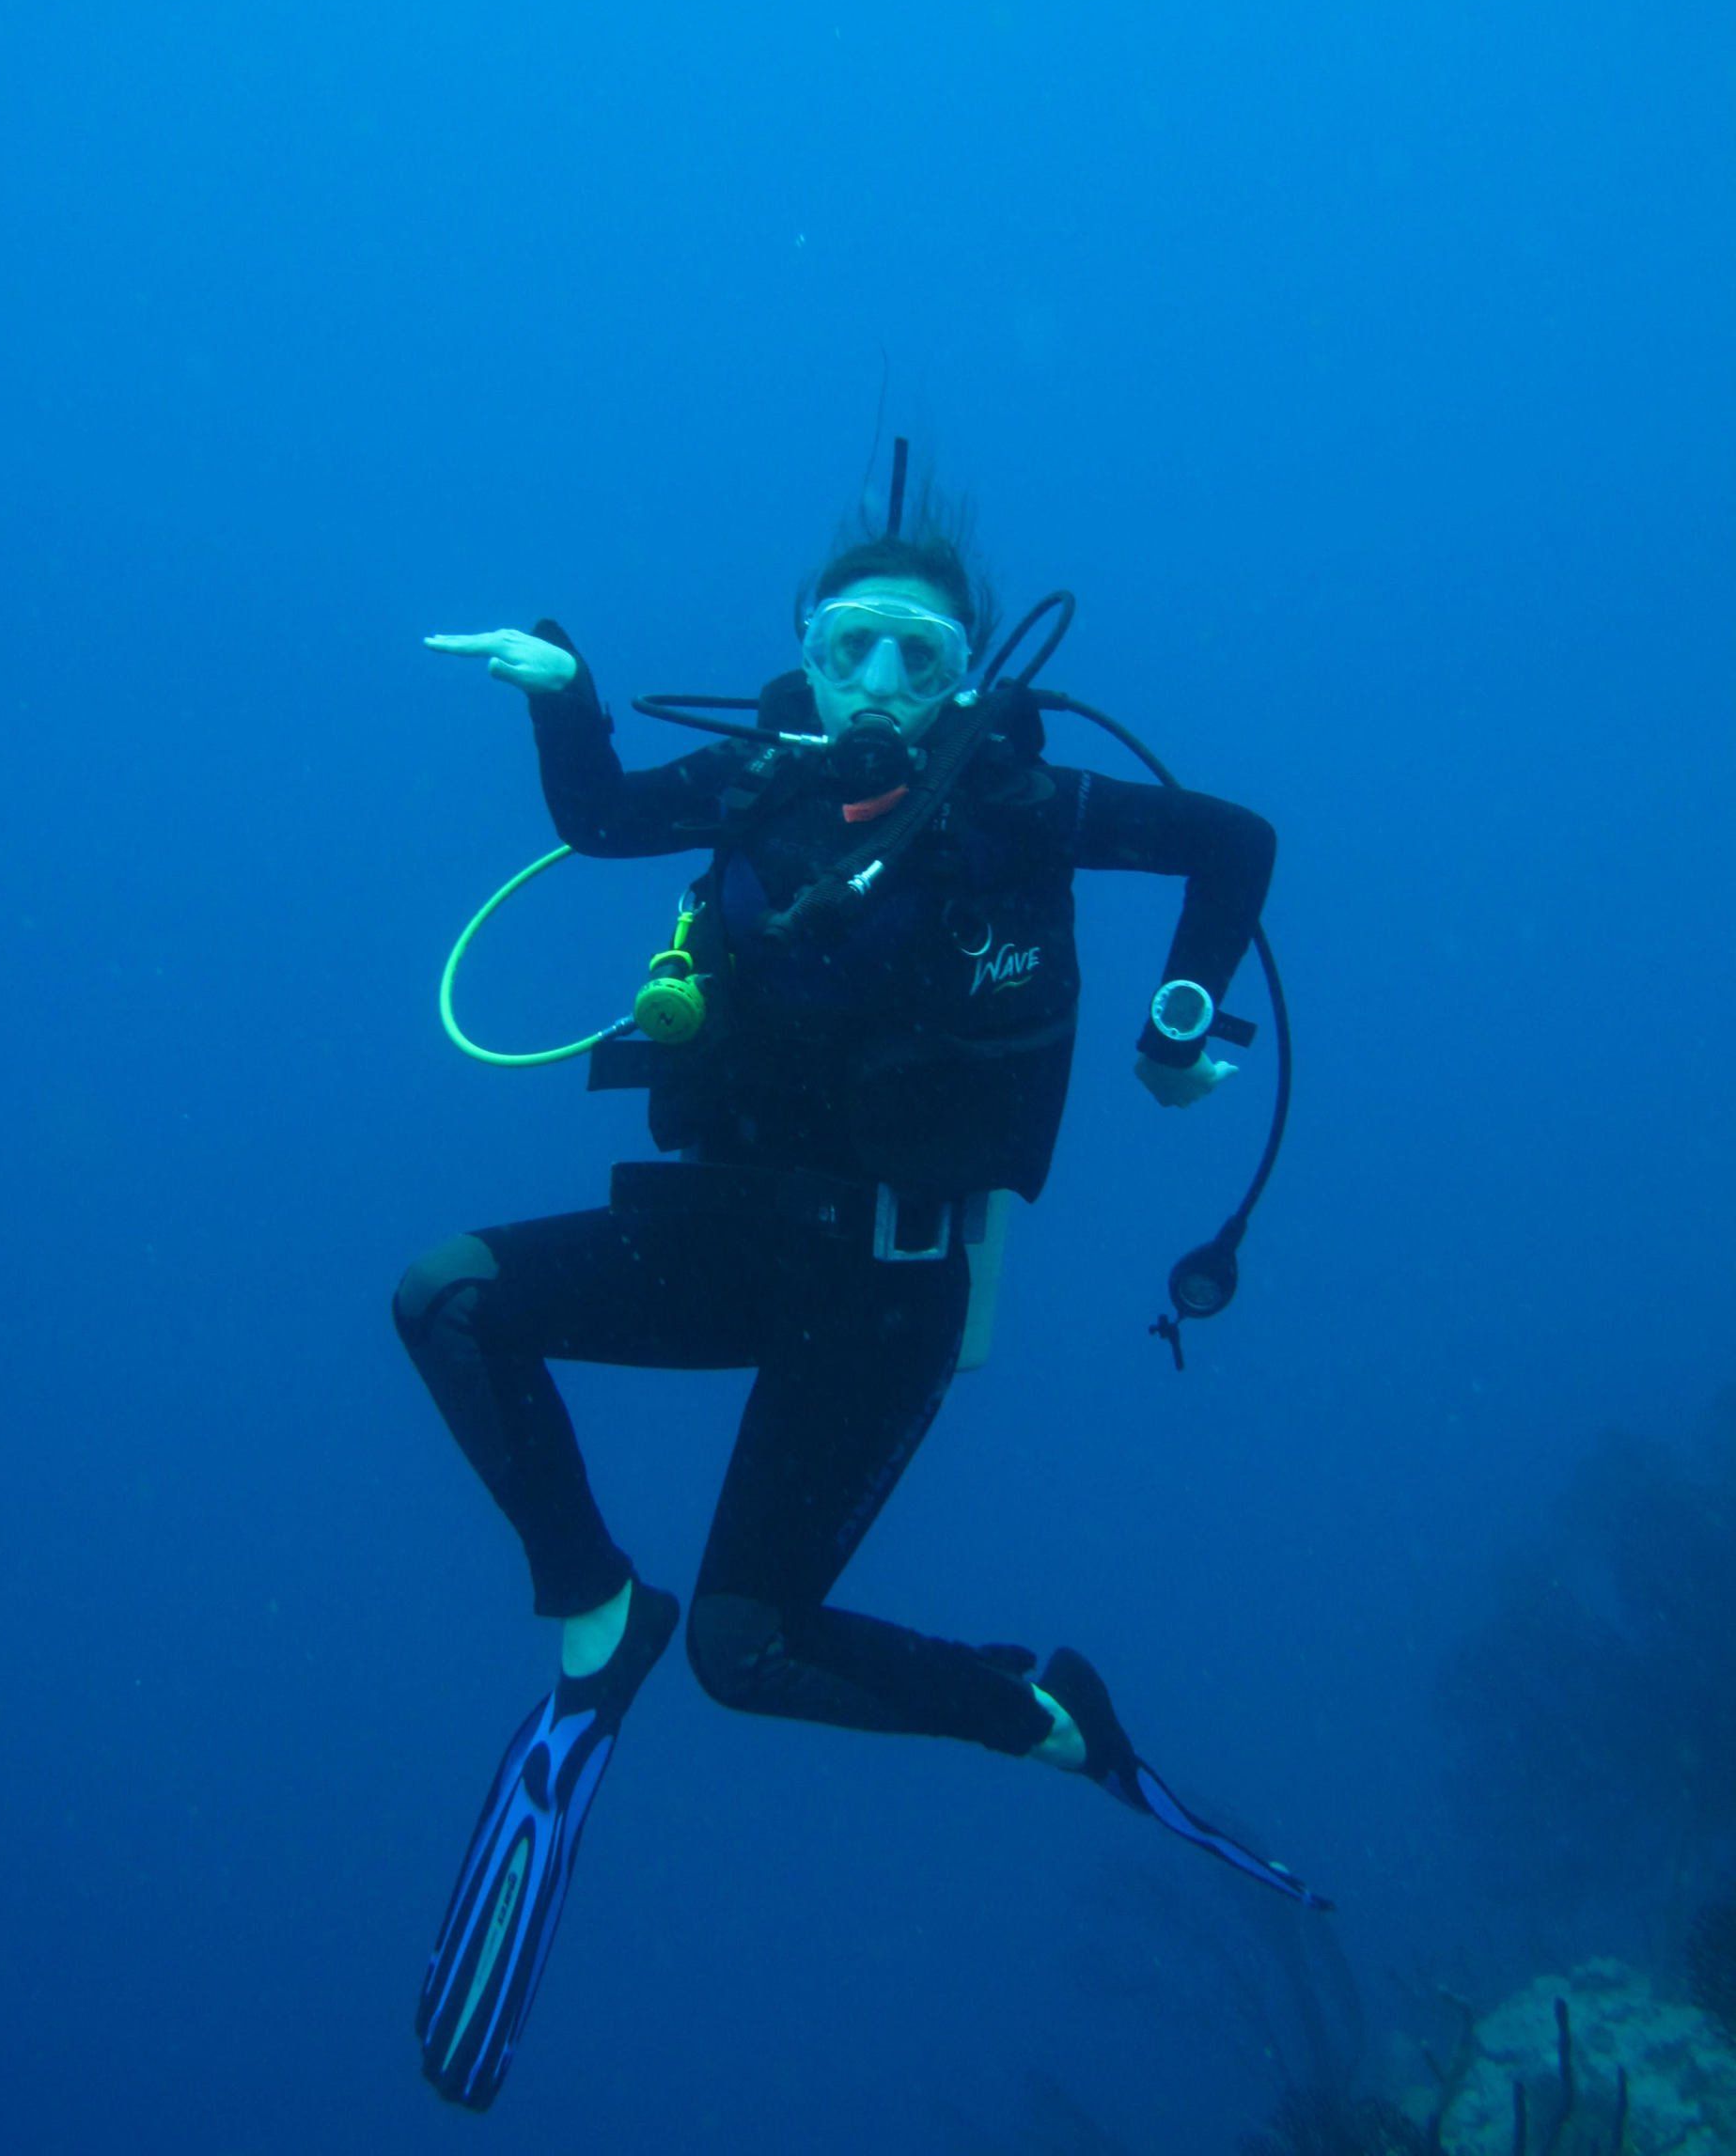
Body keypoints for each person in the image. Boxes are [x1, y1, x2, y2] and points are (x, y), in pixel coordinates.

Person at [397, 493, 1327, 2110]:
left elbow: (1233, 841)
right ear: (806, 664)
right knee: (446, 1298)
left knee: (751, 1656)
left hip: (892, 1290)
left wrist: (1182, 1013)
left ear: (965, 670)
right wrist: (562, 690)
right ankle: (595, 1608)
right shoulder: (751, 791)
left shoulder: (1022, 808)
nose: (883, 677)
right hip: (732, 1239)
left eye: (920, 650)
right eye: (850, 647)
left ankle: (1041, 1716)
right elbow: (606, 815)